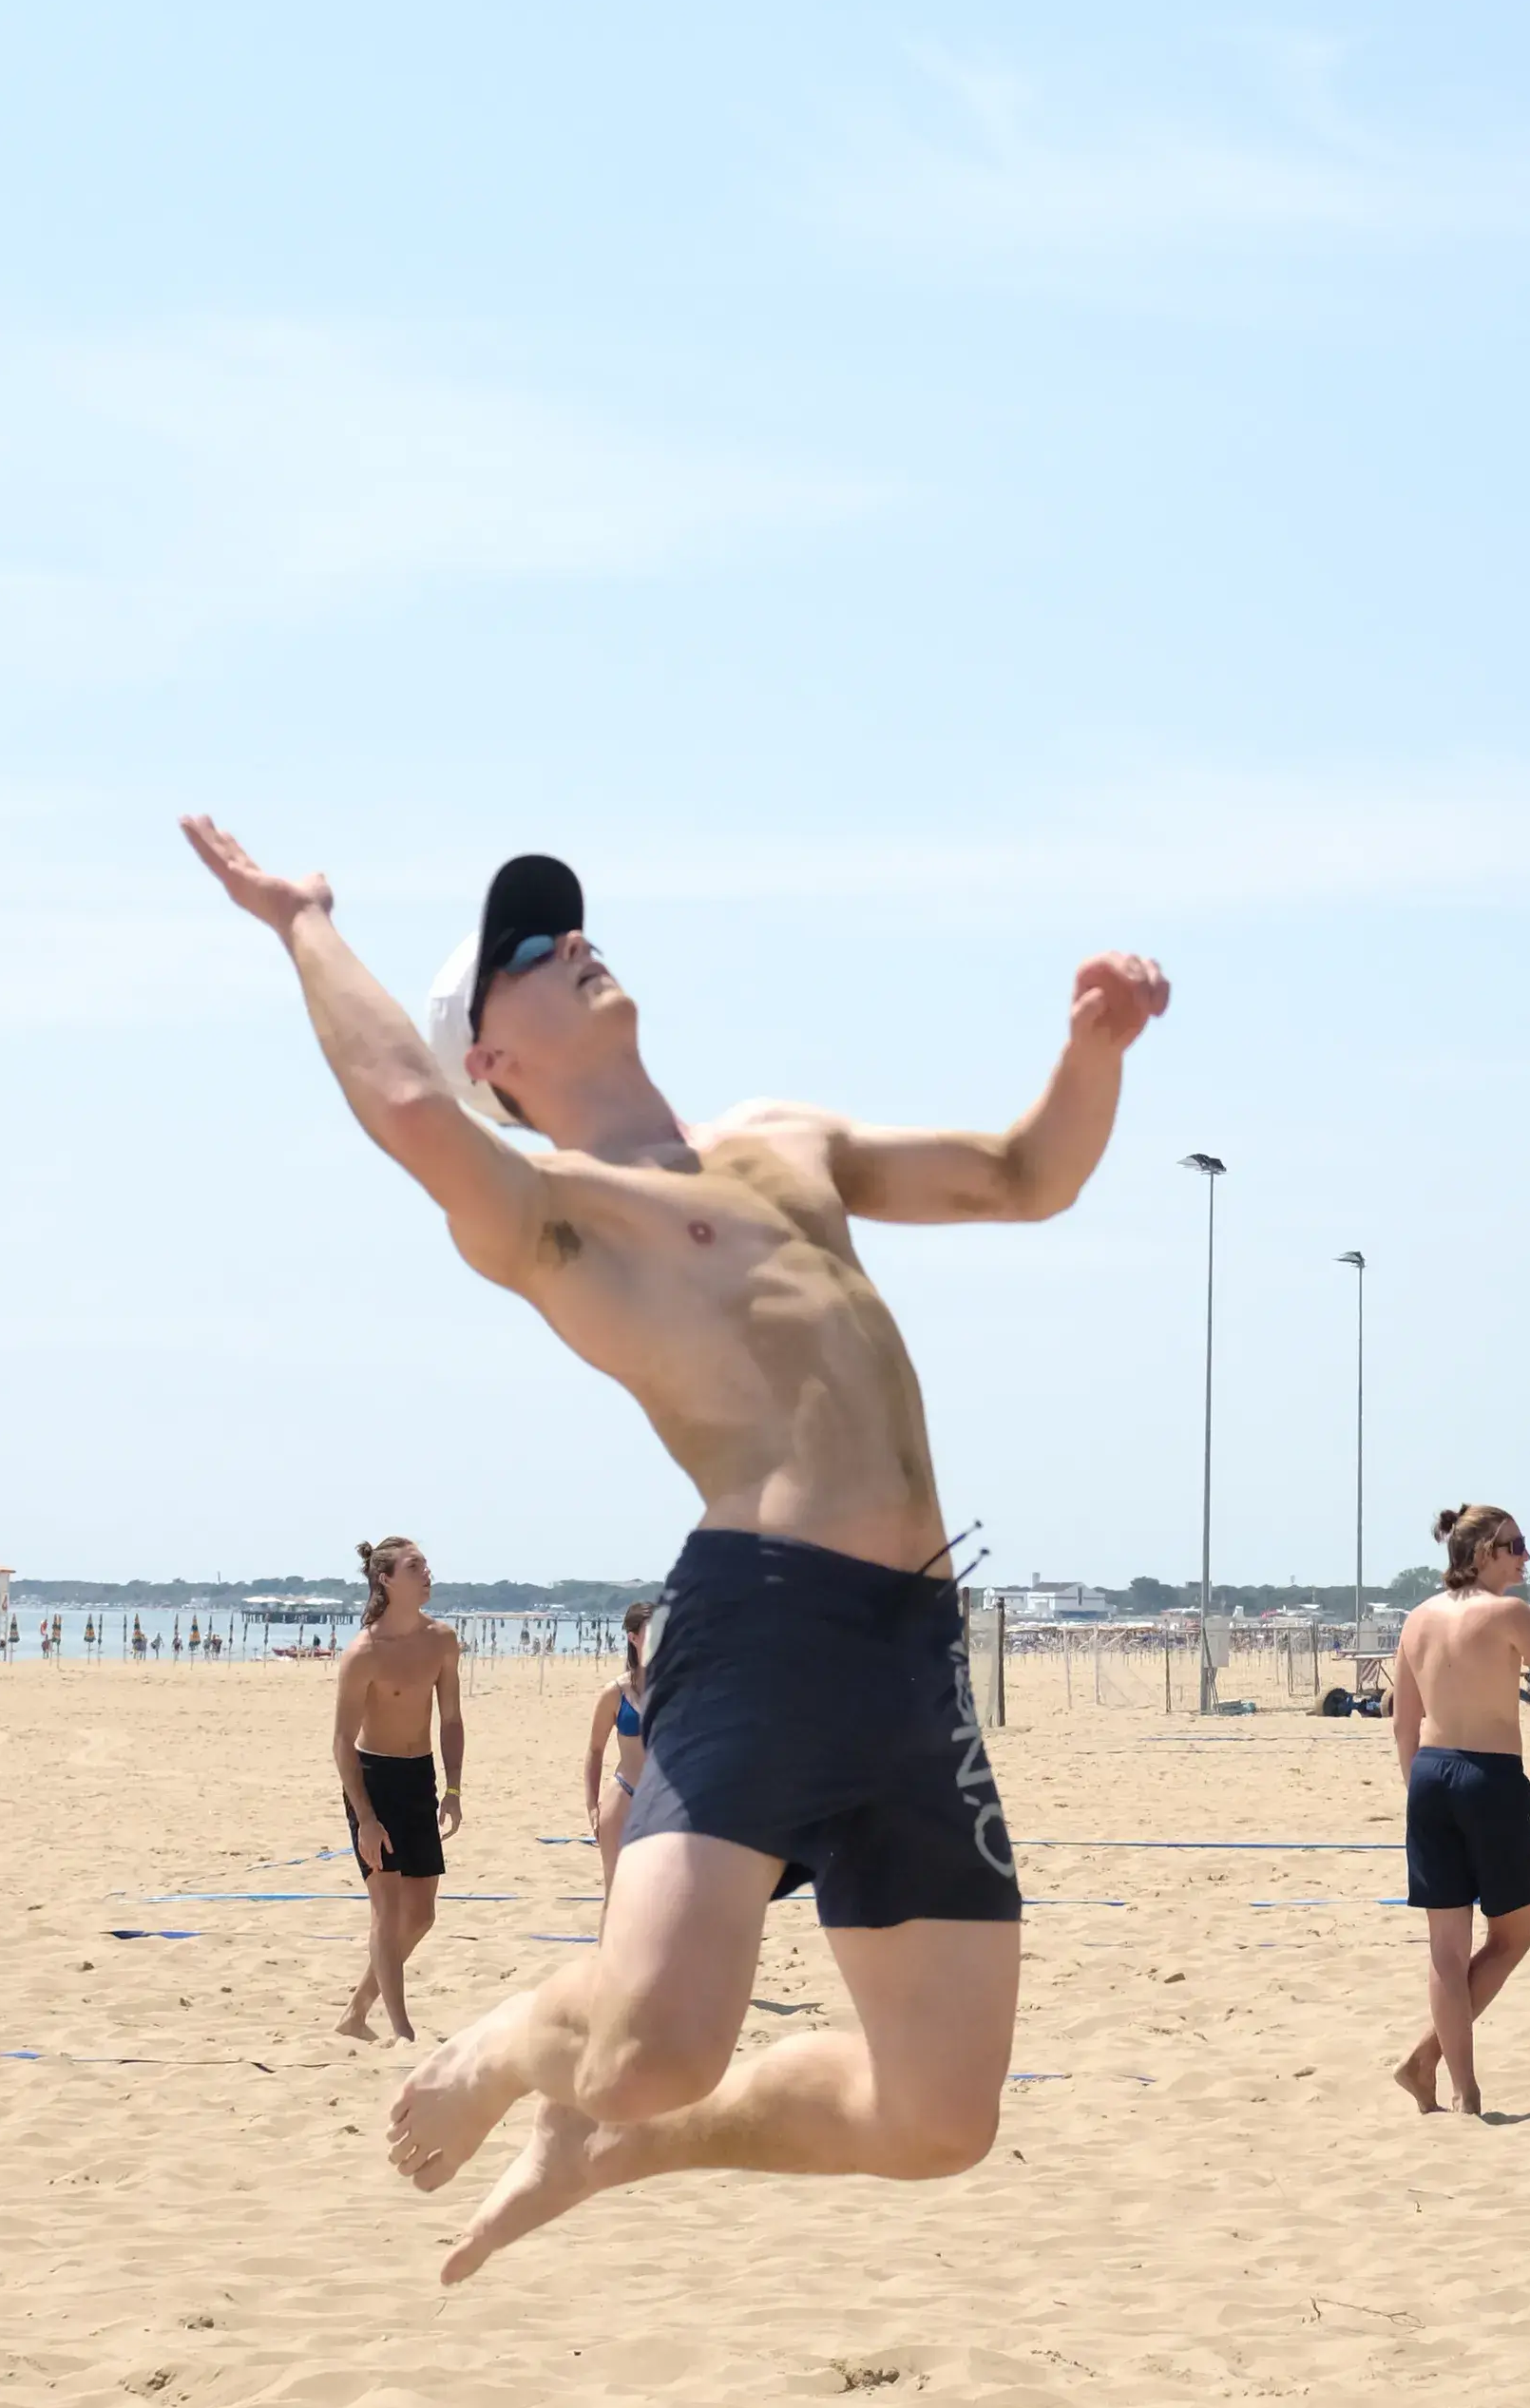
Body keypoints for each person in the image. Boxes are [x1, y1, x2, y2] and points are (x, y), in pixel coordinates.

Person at [180, 817, 1167, 2277]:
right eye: (525, 950)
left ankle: (627, 2152)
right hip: (764, 1623)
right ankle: (526, 2039)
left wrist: (1096, 1049)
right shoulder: (559, 1218)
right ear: (494, 1064)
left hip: (912, 1652)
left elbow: (1028, 1175)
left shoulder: (786, 1137)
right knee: (652, 2043)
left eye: (567, 926)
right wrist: (304, 919)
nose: (567, 944)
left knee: (941, 2113)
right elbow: (398, 1101)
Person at [1383, 1502, 1530, 2115]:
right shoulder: (1509, 1613)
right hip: (1488, 1777)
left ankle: (1459, 2088)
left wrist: (1420, 1795)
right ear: (1482, 1551)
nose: (1526, 1556)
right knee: (1511, 1937)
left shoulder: (1416, 1619)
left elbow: (1404, 1725)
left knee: (1446, 1950)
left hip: (1429, 1777)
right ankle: (1429, 2064)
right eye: (1516, 1544)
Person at [333, 1536, 466, 2043]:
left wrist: (453, 1788)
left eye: (426, 1565)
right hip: (373, 1779)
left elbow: (451, 1719)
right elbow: (342, 1742)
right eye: (416, 1567)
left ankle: (355, 2012)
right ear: (386, 1580)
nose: (428, 1573)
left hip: (420, 1777)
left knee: (422, 1914)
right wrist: (365, 1816)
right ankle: (401, 2030)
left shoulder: (442, 1640)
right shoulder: (363, 1653)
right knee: (387, 1913)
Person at [583, 1597, 655, 1896]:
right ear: (633, 1638)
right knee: (618, 1894)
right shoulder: (615, 1693)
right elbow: (595, 1750)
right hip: (623, 1795)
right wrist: (592, 1806)